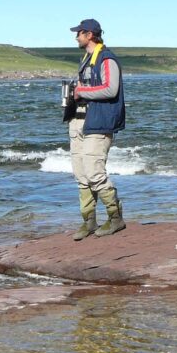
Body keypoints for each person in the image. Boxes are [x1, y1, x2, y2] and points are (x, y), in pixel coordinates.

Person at [67, 18, 126, 240]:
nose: (76, 36)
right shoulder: (86, 59)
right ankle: (88, 221)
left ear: (90, 34)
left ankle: (115, 218)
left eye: (79, 32)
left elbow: (111, 89)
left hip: (99, 122)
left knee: (94, 172)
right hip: (79, 121)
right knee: (81, 174)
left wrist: (81, 92)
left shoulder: (106, 58)